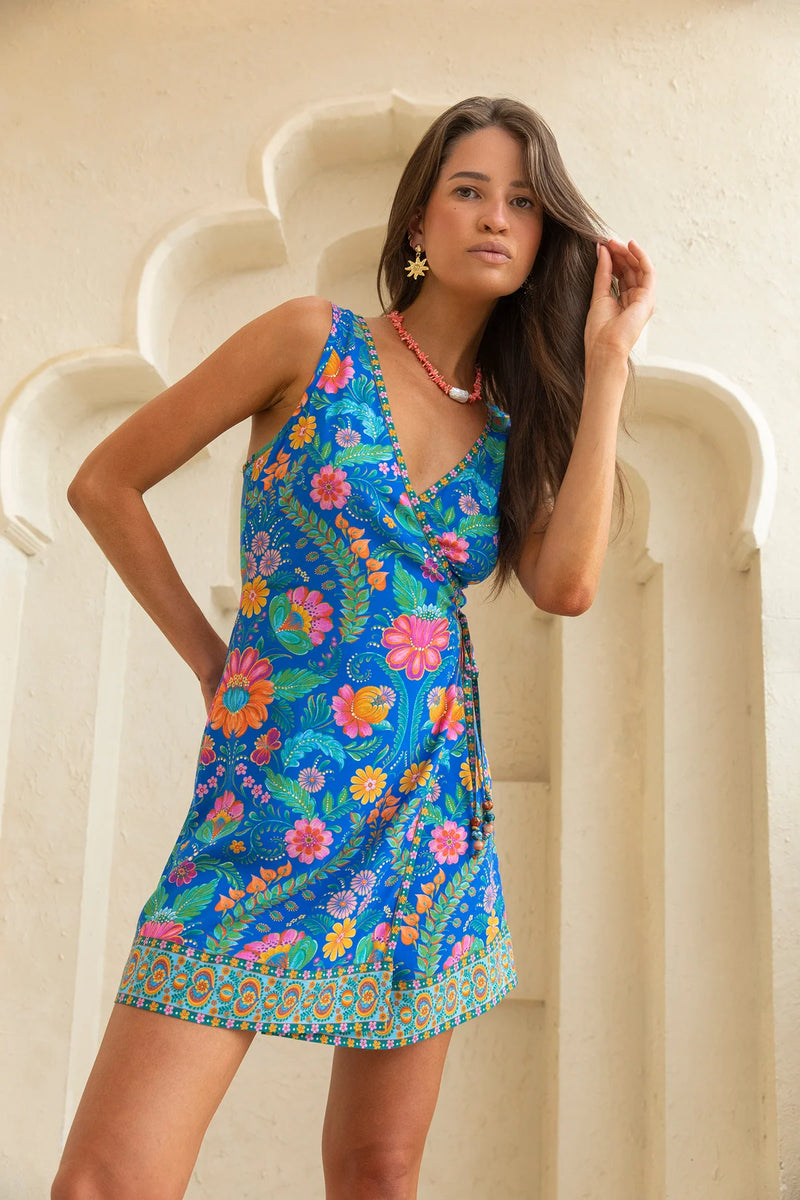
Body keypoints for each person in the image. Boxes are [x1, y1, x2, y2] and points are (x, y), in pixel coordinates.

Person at [52, 95, 655, 1200]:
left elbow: (566, 585)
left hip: (428, 820)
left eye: (522, 203)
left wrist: (607, 363)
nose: (495, 218)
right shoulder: (308, 341)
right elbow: (103, 484)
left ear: (542, 240)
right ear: (416, 222)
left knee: (377, 1170)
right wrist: (209, 658)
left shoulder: (510, 429)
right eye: (468, 190)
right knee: (110, 1179)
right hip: (269, 799)